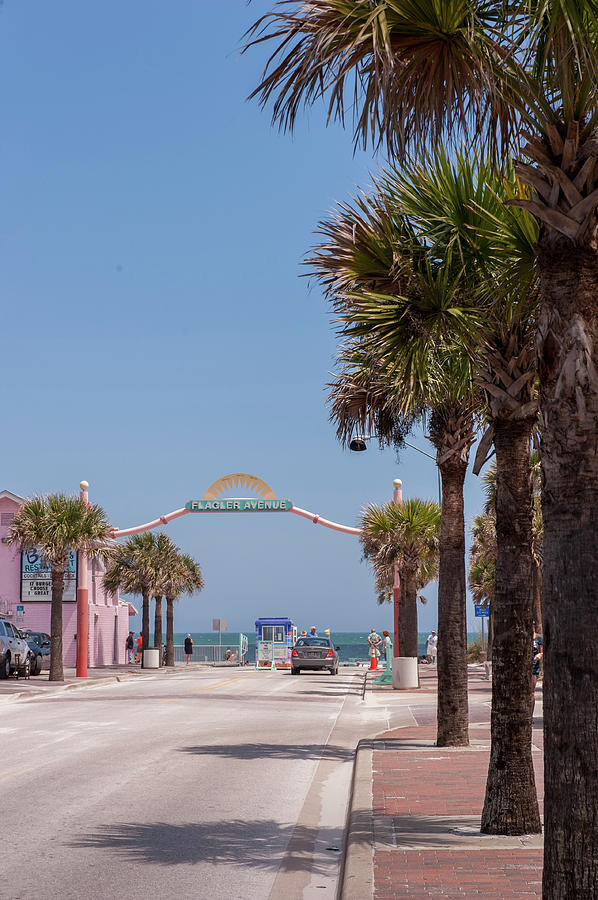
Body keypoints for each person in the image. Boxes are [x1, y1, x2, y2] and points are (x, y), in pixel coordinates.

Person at [532, 624, 543, 713]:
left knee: (531, 693)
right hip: (524, 668)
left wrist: (539, 655)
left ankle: (530, 716)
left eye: (533, 624)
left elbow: (542, 651)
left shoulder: (538, 638)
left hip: (534, 667)